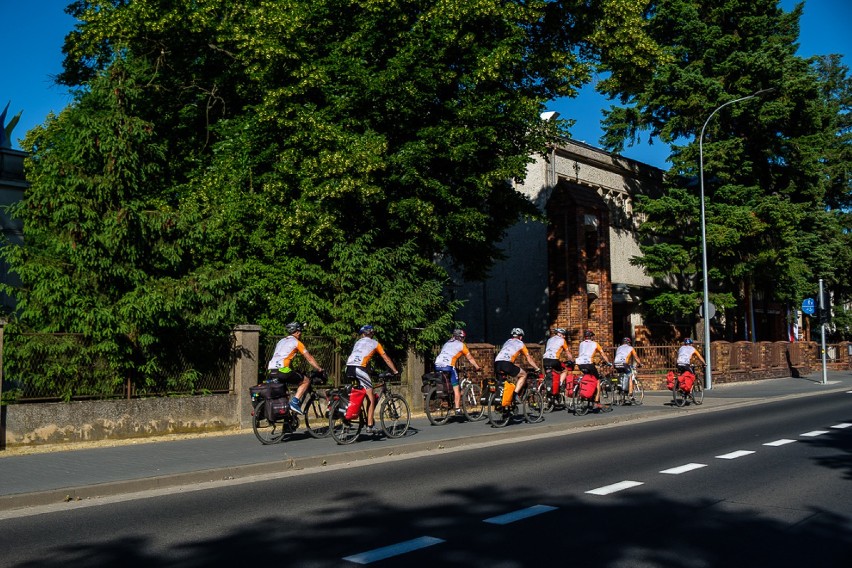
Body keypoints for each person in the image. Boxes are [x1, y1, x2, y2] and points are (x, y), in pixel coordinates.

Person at [346, 324, 400, 433]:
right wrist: (395, 371)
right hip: (359, 369)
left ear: (362, 334)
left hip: (348, 368)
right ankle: (370, 425)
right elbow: (386, 358)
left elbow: (361, 358)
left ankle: (357, 414)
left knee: (360, 392)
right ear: (371, 333)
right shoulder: (375, 343)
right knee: (371, 397)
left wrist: (370, 372)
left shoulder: (357, 343)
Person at [266, 322, 324, 415]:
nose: (300, 334)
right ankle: (295, 402)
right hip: (282, 370)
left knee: (284, 393)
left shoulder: (280, 341)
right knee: (306, 381)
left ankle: (286, 419)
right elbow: (309, 358)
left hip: (271, 370)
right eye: (300, 332)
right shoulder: (297, 342)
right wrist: (319, 368)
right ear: (297, 332)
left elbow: (283, 357)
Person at [434, 329, 482, 416]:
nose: (463, 339)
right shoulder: (461, 345)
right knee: (456, 388)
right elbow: (470, 357)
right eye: (463, 338)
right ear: (460, 338)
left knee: (446, 382)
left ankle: (446, 399)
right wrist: (477, 366)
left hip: (437, 364)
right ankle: (457, 408)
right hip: (448, 366)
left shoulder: (447, 343)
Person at [494, 328, 540, 400]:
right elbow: (529, 358)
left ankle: (501, 402)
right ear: (520, 337)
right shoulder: (521, 344)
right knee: (524, 375)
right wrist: (537, 368)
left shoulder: (507, 342)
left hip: (497, 363)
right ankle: (515, 395)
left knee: (502, 384)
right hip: (506, 364)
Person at [574, 330, 611, 409]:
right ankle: (596, 402)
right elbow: (603, 354)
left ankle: (584, 394)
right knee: (597, 381)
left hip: (580, 364)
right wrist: (608, 362)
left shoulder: (581, 344)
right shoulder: (595, 344)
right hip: (589, 364)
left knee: (587, 377)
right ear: (591, 337)